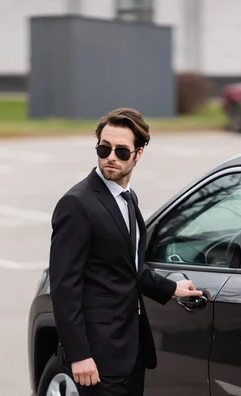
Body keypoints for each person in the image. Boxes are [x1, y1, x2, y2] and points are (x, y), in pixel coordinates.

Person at [48, 107, 203, 396]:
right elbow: (64, 287)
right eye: (104, 148)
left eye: (121, 151)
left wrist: (172, 288)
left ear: (138, 154)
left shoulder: (128, 199)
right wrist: (79, 354)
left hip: (130, 351)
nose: (110, 157)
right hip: (97, 356)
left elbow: (131, 268)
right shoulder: (77, 204)